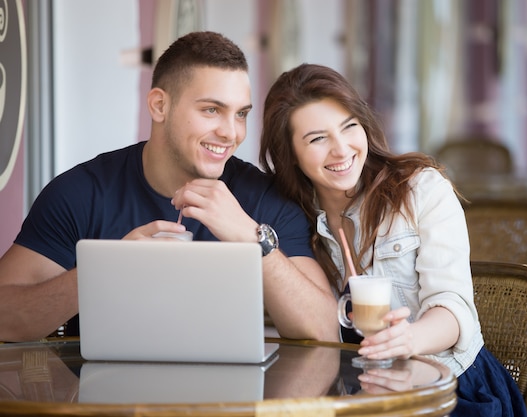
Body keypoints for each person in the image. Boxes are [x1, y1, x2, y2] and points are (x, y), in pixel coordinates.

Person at [0, 32, 338, 343]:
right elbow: (5, 318)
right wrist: (103, 272)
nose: (231, 133)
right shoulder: (81, 193)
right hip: (101, 402)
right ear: (159, 105)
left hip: (229, 404)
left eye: (240, 114)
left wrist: (253, 239)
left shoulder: (264, 199)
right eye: (211, 110)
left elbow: (323, 332)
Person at [259, 63, 527, 416]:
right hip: (357, 398)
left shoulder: (421, 190)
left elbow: (453, 310)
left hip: (448, 391)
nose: (342, 150)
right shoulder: (292, 221)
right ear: (289, 153)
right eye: (318, 138)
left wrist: (408, 339)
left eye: (349, 127)